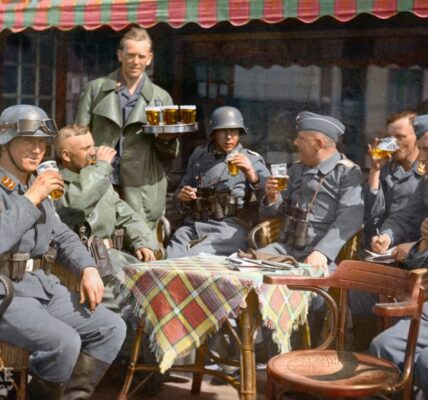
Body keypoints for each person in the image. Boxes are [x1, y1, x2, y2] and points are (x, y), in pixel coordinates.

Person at [0, 105, 126, 399]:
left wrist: (88, 268)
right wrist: (32, 198)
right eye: (28, 141)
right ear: (5, 142)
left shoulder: (33, 182)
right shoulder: (32, 188)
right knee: (64, 342)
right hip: (6, 293)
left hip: (40, 286)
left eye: (42, 142)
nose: (37, 149)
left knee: (111, 328)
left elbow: (63, 235)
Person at [75, 27, 179, 236]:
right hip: (102, 177)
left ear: (149, 58)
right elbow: (78, 136)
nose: (135, 61)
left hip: (143, 184)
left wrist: (167, 140)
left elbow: (169, 156)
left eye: (141, 56)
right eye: (130, 55)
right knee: (100, 239)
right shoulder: (95, 89)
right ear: (120, 55)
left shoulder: (161, 98)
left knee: (140, 243)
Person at [258, 111, 364, 271]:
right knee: (245, 267)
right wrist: (272, 198)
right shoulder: (297, 168)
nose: (295, 142)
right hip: (285, 249)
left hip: (321, 254)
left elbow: (350, 219)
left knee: (310, 290)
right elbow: (275, 213)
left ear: (318, 144)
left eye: (301, 138)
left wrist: (322, 252)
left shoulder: (347, 173)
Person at [166, 106, 270, 258]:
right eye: (223, 131)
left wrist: (252, 176)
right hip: (195, 225)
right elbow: (181, 193)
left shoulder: (251, 159)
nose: (229, 137)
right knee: (170, 257)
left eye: (234, 131)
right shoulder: (199, 156)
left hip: (230, 229)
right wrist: (183, 197)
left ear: (240, 133)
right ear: (213, 133)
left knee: (194, 258)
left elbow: (271, 198)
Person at [54, 124, 158, 270]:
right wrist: (101, 167)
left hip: (113, 256)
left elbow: (126, 215)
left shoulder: (98, 178)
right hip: (81, 262)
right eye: (85, 148)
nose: (93, 152)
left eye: (92, 146)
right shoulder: (54, 182)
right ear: (66, 155)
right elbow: (75, 206)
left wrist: (142, 242)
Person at [363, 110, 421, 247]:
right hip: (381, 245)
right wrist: (375, 171)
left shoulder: (425, 171)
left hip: (414, 248)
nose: (394, 143)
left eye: (400, 137)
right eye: (390, 137)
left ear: (418, 138)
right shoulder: (385, 167)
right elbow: (372, 214)